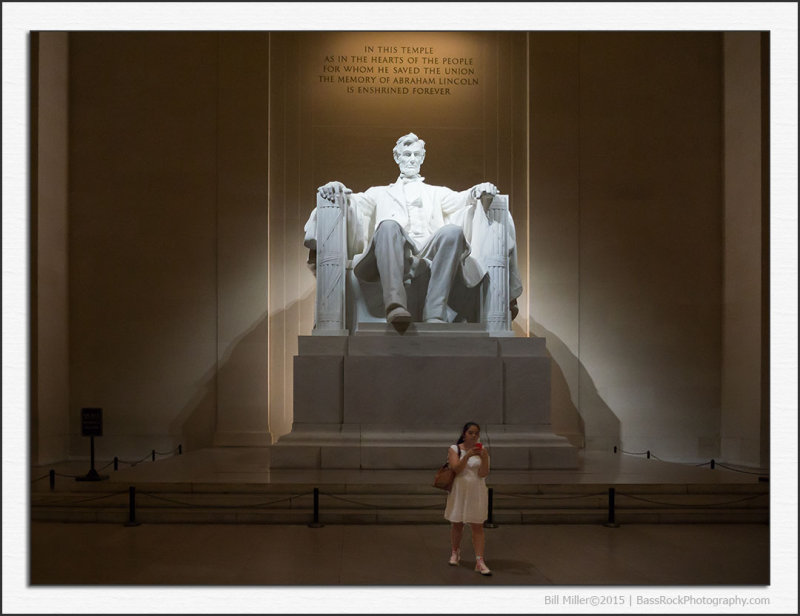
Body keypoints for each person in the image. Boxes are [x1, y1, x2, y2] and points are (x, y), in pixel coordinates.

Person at [307, 132, 521, 324]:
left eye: (416, 155)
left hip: (428, 250)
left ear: (422, 158)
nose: (411, 159)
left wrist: (479, 188)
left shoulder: (436, 192)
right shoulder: (379, 193)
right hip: (393, 250)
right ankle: (395, 305)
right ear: (397, 158)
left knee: (453, 231)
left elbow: (463, 198)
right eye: (406, 154)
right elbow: (353, 202)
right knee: (388, 225)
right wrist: (337, 187)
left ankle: (434, 312)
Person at [444, 421, 492, 576]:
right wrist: (468, 456)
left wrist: (484, 458)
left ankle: (480, 560)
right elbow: (456, 468)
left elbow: (483, 473)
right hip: (460, 489)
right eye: (470, 432)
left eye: (476, 433)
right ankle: (455, 552)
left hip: (476, 490)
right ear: (464, 433)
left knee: (477, 525)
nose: (473, 436)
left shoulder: (482, 450)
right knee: (457, 523)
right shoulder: (455, 449)